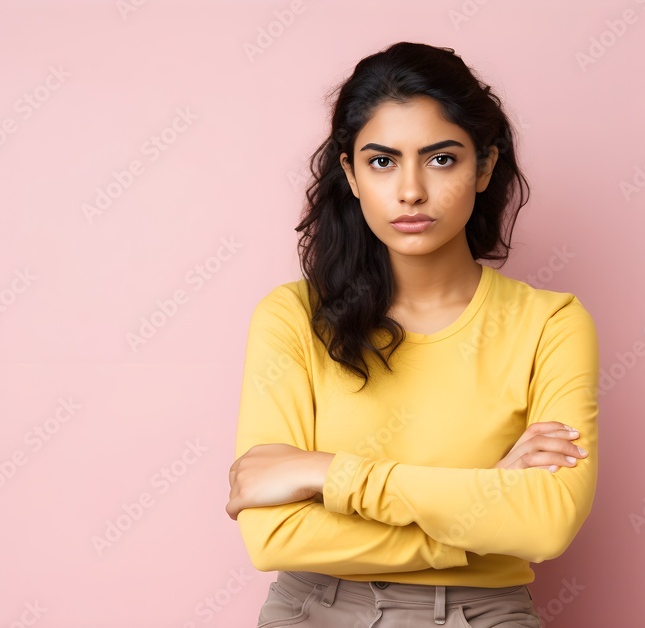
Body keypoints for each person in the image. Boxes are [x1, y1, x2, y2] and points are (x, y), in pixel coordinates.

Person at [225, 41, 599, 627]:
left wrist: (324, 471)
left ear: (485, 167)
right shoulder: (292, 316)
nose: (411, 191)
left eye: (441, 159)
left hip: (484, 615)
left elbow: (546, 524)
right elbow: (274, 536)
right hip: (314, 612)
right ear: (350, 174)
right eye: (382, 162)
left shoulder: (550, 323)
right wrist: (482, 503)